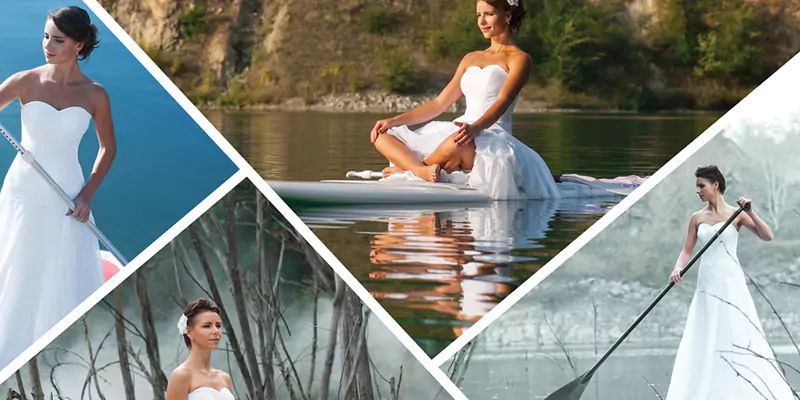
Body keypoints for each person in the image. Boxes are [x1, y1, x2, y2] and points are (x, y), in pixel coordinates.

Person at [0, 6, 115, 368]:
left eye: (59, 40)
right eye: (46, 36)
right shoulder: (25, 81)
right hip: (21, 191)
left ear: (78, 46)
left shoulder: (95, 94)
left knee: (56, 276)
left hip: (66, 195)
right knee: (14, 268)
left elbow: (108, 148)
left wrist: (88, 195)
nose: (48, 45)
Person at [369, 0, 564, 200]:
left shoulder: (520, 59)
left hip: (490, 133)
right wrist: (394, 121)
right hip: (460, 128)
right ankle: (420, 171)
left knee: (457, 142)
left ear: (507, 16)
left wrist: (476, 128)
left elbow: (503, 101)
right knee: (382, 135)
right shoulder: (470, 58)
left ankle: (408, 172)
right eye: (478, 15)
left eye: (488, 14)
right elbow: (439, 104)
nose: (482, 21)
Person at [666, 165, 793, 399]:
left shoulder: (737, 214)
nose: (698, 191)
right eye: (696, 186)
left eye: (701, 186)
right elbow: (686, 251)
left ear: (716, 185)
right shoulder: (697, 217)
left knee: (736, 331)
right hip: (707, 281)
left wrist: (751, 212)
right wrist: (678, 267)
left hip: (731, 281)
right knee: (706, 332)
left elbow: (767, 236)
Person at [166, 298, 234, 400]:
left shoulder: (225, 378)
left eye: (218, 325)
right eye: (207, 326)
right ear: (189, 332)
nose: (216, 331)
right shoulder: (181, 376)